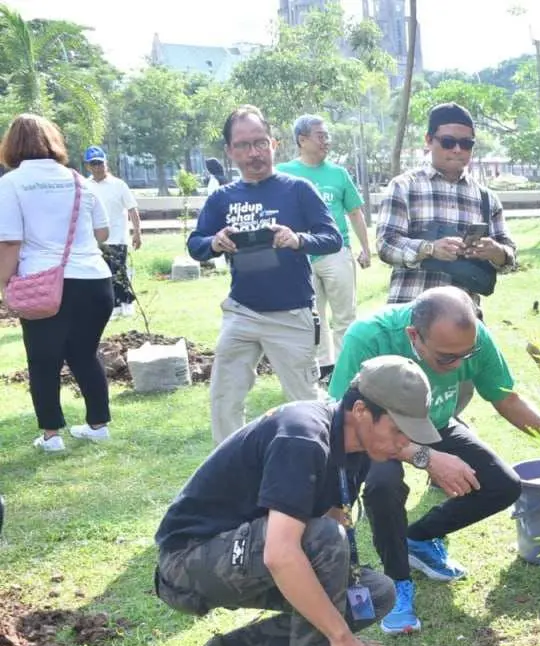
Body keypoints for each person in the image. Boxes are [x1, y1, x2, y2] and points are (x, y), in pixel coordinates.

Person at [153, 355, 436, 646]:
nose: (405, 442)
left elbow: (329, 526)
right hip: (189, 561)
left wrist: (332, 627)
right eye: (398, 429)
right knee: (324, 539)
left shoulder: (360, 448)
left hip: (252, 551)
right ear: (362, 411)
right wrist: (341, 638)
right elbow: (283, 554)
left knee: (375, 592)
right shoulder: (302, 435)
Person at [326, 287, 540, 634]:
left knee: (504, 486)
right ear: (414, 337)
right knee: (383, 487)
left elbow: (506, 400)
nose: (460, 365)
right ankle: (397, 584)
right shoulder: (370, 336)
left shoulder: (471, 338)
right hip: (378, 432)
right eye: (447, 358)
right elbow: (345, 418)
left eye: (467, 354)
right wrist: (425, 457)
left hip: (437, 423)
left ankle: (417, 538)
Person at [188, 105, 343, 444]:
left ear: (274, 144)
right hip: (241, 312)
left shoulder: (298, 189)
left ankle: (322, 468)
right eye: (243, 145)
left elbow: (332, 238)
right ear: (230, 151)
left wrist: (297, 239)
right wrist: (214, 242)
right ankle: (229, 472)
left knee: (305, 402)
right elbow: (195, 244)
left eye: (260, 142)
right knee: (224, 398)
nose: (253, 152)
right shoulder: (221, 198)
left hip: (291, 314)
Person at [0, 114, 115, 452]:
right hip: (95, 280)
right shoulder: (80, 181)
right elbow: (102, 232)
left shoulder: (11, 183)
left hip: (44, 282)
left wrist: (2, 283)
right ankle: (98, 424)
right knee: (84, 353)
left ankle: (51, 435)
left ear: (12, 145)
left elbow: (9, 243)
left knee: (43, 359)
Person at [377, 102, 516, 308]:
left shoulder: (486, 198)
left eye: (466, 143)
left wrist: (496, 252)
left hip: (464, 320)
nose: (458, 150)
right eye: (448, 142)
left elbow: (510, 255)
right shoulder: (404, 187)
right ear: (428, 140)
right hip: (410, 313)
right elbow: (385, 245)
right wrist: (429, 249)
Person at [277, 115, 373, 380]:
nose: (326, 141)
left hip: (336, 252)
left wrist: (365, 248)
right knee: (312, 316)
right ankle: (323, 369)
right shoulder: (284, 173)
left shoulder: (338, 174)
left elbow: (355, 213)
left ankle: (345, 370)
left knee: (345, 315)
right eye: (320, 136)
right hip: (300, 255)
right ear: (302, 140)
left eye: (326, 136)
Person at [84, 146, 141, 318]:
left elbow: (132, 209)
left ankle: (126, 302)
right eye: (93, 164)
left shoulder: (118, 185)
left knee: (119, 271)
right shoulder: (85, 186)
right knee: (101, 275)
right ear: (88, 166)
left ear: (105, 164)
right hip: (94, 239)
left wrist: (137, 231)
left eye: (100, 163)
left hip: (117, 236)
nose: (97, 167)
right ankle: (110, 305)